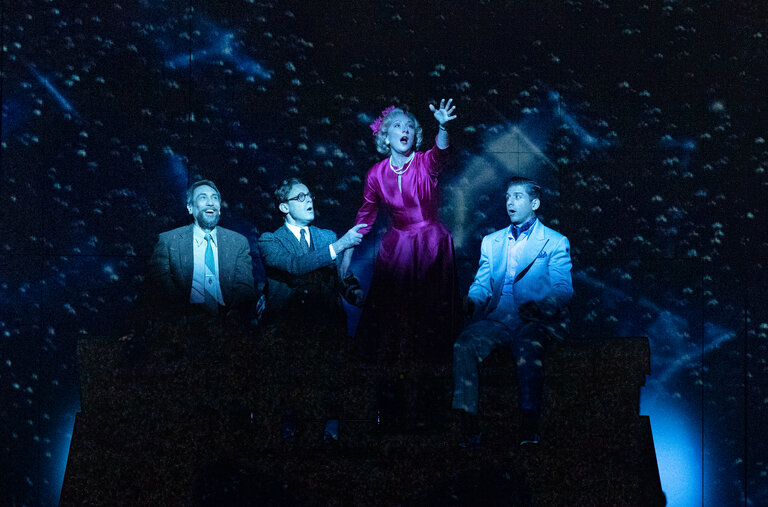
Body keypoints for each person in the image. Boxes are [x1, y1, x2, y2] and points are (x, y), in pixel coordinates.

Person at [451, 177, 573, 446]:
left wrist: (541, 306)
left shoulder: (554, 242)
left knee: (527, 342)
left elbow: (564, 289)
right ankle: (468, 423)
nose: (510, 202)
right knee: (464, 344)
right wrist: (471, 302)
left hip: (536, 319)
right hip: (500, 318)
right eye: (507, 197)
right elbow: (482, 285)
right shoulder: (491, 242)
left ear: (535, 203)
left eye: (518, 196)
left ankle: (529, 424)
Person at [340, 99, 460, 365]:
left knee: (429, 316)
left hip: (431, 245)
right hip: (397, 247)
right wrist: (347, 252)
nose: (404, 130)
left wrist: (442, 127)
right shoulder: (376, 174)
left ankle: (430, 369)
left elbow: (440, 153)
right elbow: (365, 216)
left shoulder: (424, 163)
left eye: (410, 127)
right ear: (386, 135)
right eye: (397, 125)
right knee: (391, 318)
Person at [257, 177, 366, 441]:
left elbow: (341, 277)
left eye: (309, 196)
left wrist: (357, 294)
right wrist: (340, 246)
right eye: (300, 197)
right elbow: (295, 266)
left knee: (331, 393)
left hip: (326, 331)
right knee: (295, 396)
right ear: (284, 208)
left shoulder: (325, 236)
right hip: (290, 333)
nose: (308, 201)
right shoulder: (270, 241)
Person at [146, 179, 259, 324]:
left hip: (227, 322)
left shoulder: (238, 242)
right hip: (183, 322)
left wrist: (234, 318)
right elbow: (160, 288)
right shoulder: (168, 241)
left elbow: (245, 287)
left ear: (220, 207)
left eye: (214, 198)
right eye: (203, 197)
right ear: (190, 207)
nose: (210, 202)